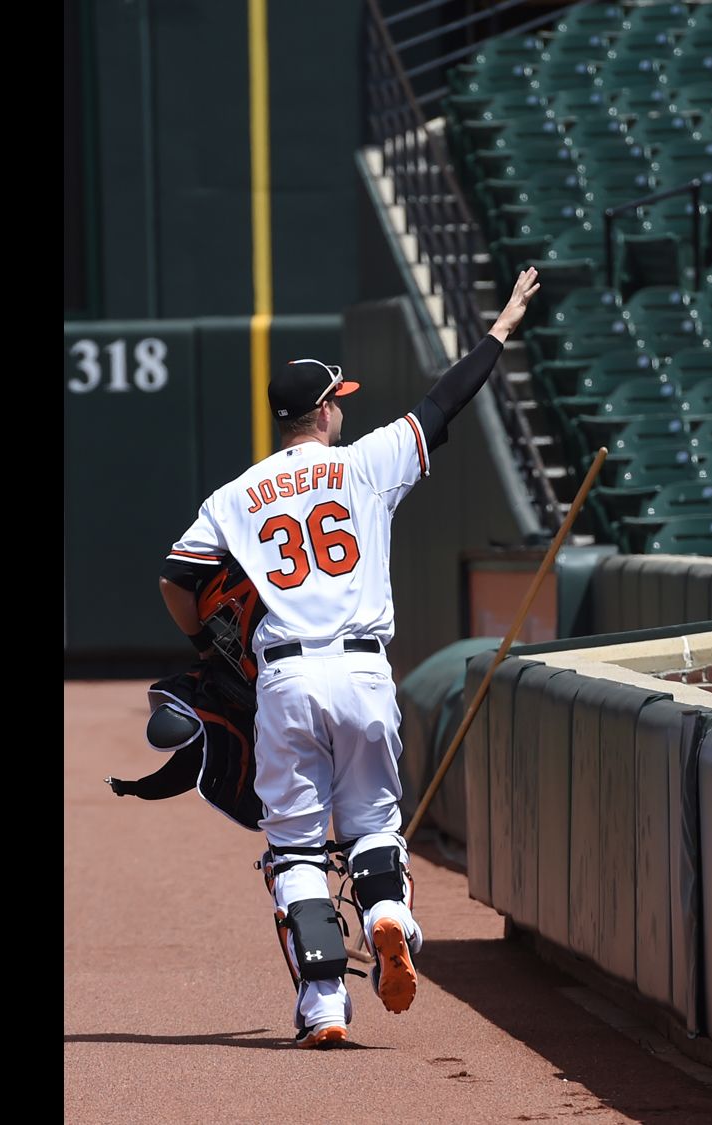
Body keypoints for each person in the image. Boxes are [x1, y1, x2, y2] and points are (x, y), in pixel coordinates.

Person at [157, 267, 541, 1047]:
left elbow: (178, 577)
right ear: (324, 411)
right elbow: (444, 403)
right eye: (338, 399)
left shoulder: (236, 494)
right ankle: (391, 915)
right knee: (372, 821)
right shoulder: (366, 463)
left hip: (287, 675)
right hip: (364, 668)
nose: (341, 409)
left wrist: (204, 641)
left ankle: (325, 1003)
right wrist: (498, 331)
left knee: (295, 844)